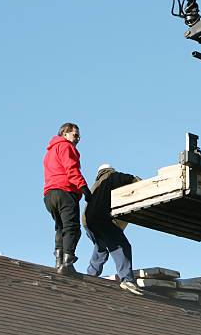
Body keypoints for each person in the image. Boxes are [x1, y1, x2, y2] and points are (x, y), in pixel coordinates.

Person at [83, 163, 143, 295]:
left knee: (101, 246)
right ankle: (127, 279)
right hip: (100, 219)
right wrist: (142, 184)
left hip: (88, 223)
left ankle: (91, 275)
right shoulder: (110, 176)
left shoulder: (95, 187)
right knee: (121, 246)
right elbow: (127, 178)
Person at [43, 122, 93, 274]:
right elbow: (71, 168)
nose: (78, 139)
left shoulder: (50, 151)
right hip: (65, 191)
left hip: (50, 194)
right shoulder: (65, 146)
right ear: (65, 134)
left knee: (60, 227)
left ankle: (59, 261)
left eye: (79, 136)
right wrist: (84, 188)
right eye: (75, 135)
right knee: (72, 228)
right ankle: (67, 263)